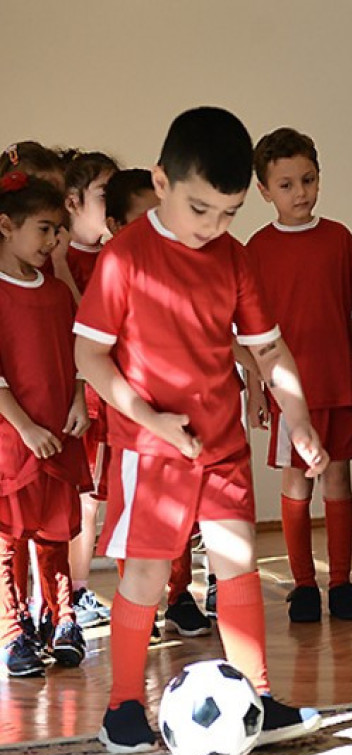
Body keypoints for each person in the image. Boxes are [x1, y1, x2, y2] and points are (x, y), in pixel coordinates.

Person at [74, 107, 324, 753]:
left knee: (238, 567)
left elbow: (268, 351)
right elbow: (89, 356)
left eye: (229, 212)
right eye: (200, 209)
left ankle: (258, 700)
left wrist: (297, 418)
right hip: (148, 449)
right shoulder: (123, 259)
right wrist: (148, 416)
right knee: (145, 580)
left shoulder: (234, 259)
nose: (213, 227)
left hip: (222, 444)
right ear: (161, 182)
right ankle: (124, 709)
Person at [247, 128, 352, 623]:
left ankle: (340, 583)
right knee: (297, 482)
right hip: (287, 391)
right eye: (286, 185)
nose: (300, 192)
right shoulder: (256, 249)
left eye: (308, 180)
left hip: (339, 379)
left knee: (338, 477)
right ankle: (304, 585)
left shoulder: (340, 239)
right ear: (264, 191)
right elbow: (252, 333)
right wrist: (255, 389)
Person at [103, 168, 213, 640]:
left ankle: (179, 592)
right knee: (139, 522)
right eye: (141, 218)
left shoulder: (182, 265)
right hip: (135, 422)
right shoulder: (117, 268)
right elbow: (93, 353)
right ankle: (140, 602)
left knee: (181, 515)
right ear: (115, 225)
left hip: (182, 417)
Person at [0, 173, 92, 677]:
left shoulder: (58, 293)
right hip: (13, 438)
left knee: (54, 534)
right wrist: (24, 427)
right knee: (8, 535)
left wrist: (79, 397)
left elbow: (77, 352)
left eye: (59, 230)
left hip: (58, 433)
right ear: (6, 226)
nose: (54, 242)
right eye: (43, 229)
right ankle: (13, 631)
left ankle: (62, 618)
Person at [61, 151, 119, 630]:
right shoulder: (62, 260)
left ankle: (79, 590)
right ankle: (71, 593)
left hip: (111, 394)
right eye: (105, 195)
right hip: (79, 396)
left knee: (99, 498)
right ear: (73, 201)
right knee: (80, 497)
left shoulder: (115, 256)